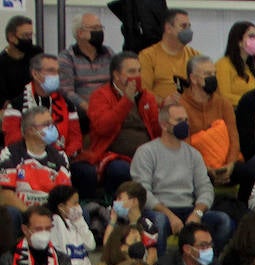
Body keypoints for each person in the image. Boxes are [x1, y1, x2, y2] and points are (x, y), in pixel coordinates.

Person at [129, 103, 230, 251]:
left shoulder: (193, 154)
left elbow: (205, 187)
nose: (185, 125)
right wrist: (169, 215)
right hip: (160, 210)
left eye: (186, 120)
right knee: (159, 221)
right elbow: (142, 191)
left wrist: (197, 212)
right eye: (179, 120)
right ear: (164, 125)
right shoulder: (146, 152)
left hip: (189, 210)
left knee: (224, 221)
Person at [75, 52, 157, 199]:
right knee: (119, 170)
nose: (137, 76)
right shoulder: (100, 96)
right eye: (131, 72)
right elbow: (103, 127)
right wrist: (126, 101)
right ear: (117, 75)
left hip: (146, 155)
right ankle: (113, 205)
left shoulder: (147, 97)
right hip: (112, 156)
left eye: (139, 71)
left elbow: (156, 131)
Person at [1, 54, 81, 165]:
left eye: (58, 72)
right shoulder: (16, 105)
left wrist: (61, 157)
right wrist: (39, 155)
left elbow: (76, 139)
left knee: (86, 171)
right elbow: (12, 141)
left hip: (62, 158)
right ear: (35, 74)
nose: (56, 76)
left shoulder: (67, 104)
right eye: (51, 71)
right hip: (26, 160)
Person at [58, 12, 114, 119]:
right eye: (94, 28)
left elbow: (117, 81)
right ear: (80, 33)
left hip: (108, 106)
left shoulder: (109, 53)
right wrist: (88, 108)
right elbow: (67, 91)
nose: (99, 31)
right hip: (82, 110)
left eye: (100, 27)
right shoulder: (67, 57)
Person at [137, 7, 197, 103]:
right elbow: (143, 92)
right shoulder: (147, 56)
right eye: (183, 26)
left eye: (189, 26)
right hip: (161, 112)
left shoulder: (195, 55)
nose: (188, 30)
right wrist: (163, 101)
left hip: (191, 110)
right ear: (168, 28)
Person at [214, 21, 255, 108]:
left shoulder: (248, 67)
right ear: (239, 41)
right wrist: (251, 101)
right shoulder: (223, 65)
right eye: (251, 36)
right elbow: (223, 96)